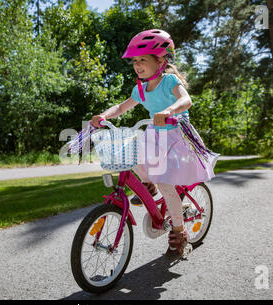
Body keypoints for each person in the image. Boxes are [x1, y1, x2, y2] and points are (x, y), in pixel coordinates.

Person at [90, 29, 218, 258]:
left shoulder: (169, 80)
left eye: (143, 60)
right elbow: (122, 107)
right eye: (134, 61)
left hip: (177, 134)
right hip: (155, 134)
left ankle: (180, 233)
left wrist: (169, 110)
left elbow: (186, 99)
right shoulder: (140, 88)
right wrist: (104, 116)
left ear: (160, 60)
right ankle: (148, 185)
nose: (137, 65)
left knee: (167, 186)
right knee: (133, 157)